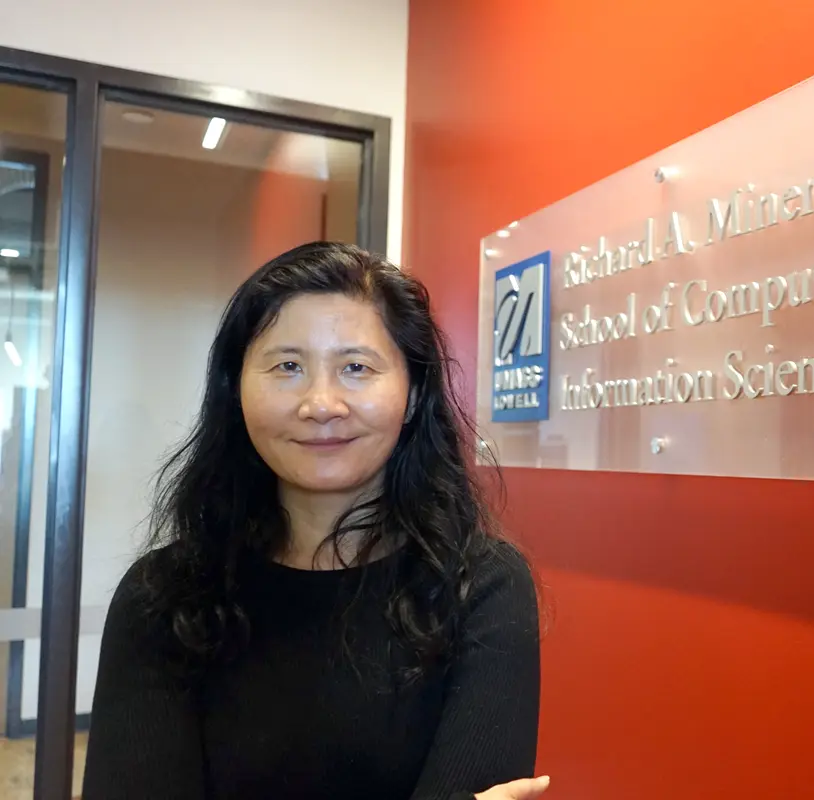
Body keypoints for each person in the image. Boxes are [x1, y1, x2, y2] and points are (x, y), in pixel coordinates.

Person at [83, 242, 548, 800]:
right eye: (287, 367)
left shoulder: (482, 590)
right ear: (236, 391)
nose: (321, 403)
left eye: (356, 367)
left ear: (414, 389)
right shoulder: (162, 599)